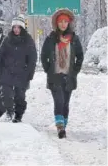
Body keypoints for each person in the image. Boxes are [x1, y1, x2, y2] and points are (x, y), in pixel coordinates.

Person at [41, 8, 84, 139]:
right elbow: (43, 56)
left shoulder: (74, 39)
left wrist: (75, 71)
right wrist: (48, 69)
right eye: (61, 21)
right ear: (57, 23)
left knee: (65, 102)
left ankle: (63, 125)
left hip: (69, 76)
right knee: (59, 101)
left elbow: (80, 56)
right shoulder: (51, 39)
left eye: (66, 21)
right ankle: (60, 128)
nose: (63, 24)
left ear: (69, 23)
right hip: (55, 76)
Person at [0, 15, 37, 123]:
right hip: (7, 72)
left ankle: (18, 116)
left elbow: (33, 59)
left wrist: (29, 73)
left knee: (20, 98)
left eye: (18, 27)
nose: (16, 29)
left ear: (22, 28)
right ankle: (9, 112)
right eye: (14, 27)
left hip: (22, 74)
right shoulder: (7, 40)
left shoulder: (28, 41)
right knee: (6, 94)